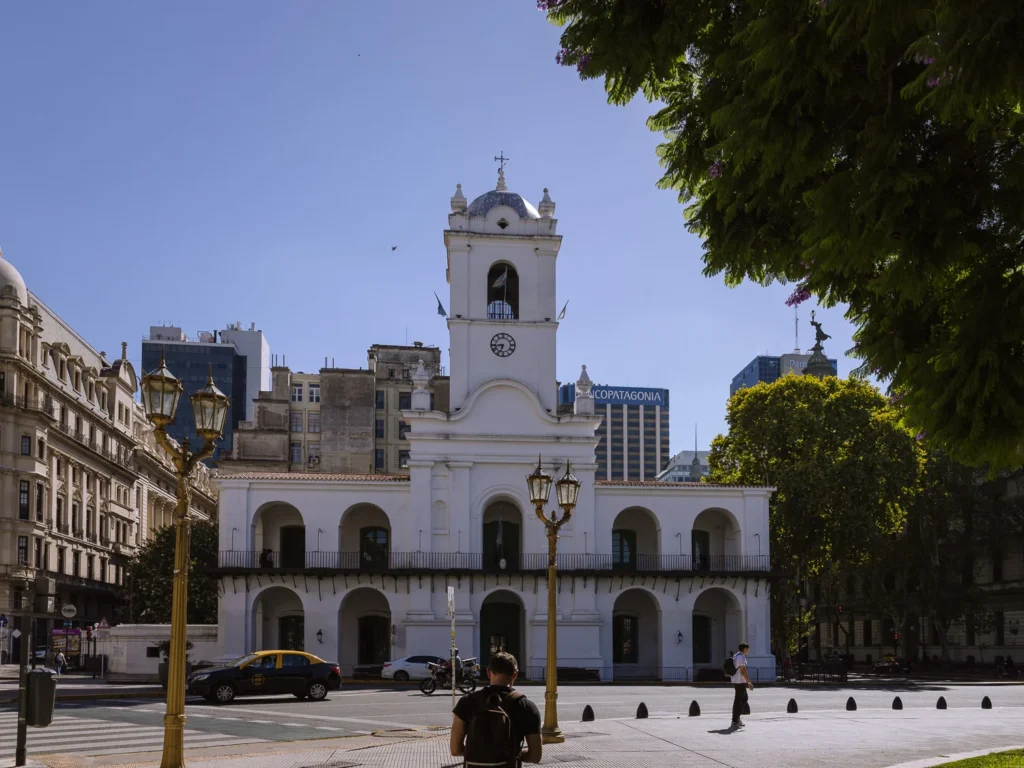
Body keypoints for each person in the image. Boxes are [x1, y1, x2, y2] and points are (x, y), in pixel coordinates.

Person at [451, 651, 541, 767]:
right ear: (515, 674)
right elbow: (535, 756)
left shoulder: (467, 701)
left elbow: (455, 749)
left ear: (489, 672)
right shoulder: (526, 706)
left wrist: (481, 754)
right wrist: (514, 754)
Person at [730, 642, 753, 728]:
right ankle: (735, 720)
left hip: (736, 681)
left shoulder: (736, 656)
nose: (748, 651)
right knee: (739, 700)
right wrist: (749, 682)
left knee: (741, 699)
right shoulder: (741, 657)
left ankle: (736, 719)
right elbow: (743, 671)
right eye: (747, 649)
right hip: (740, 682)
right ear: (745, 649)